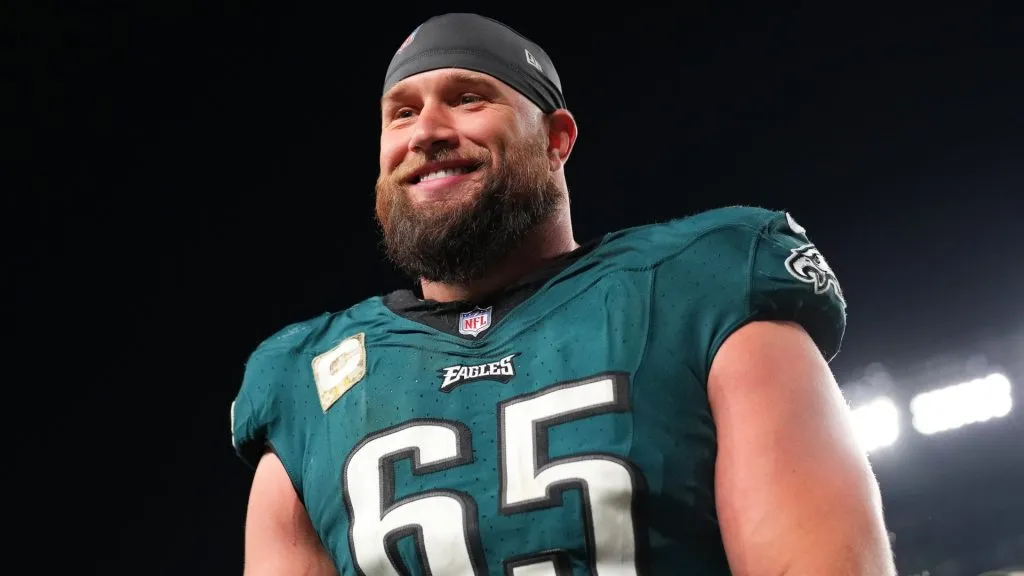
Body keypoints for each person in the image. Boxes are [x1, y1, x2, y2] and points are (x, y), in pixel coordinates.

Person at [231, 12, 896, 576]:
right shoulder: (301, 383)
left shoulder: (702, 286)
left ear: (557, 140)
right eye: (401, 113)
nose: (426, 131)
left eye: (467, 98)